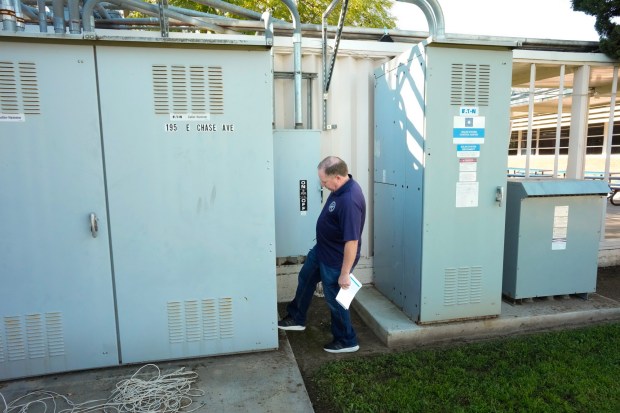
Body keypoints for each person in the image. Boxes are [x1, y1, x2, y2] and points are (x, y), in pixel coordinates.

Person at [278, 156, 366, 353]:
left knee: (335, 300)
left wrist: (344, 273)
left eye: (324, 181)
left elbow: (352, 241)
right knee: (306, 277)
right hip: (322, 251)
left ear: (337, 177)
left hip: (336, 259)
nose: (322, 185)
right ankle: (296, 317)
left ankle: (346, 340)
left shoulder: (350, 200)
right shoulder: (340, 188)